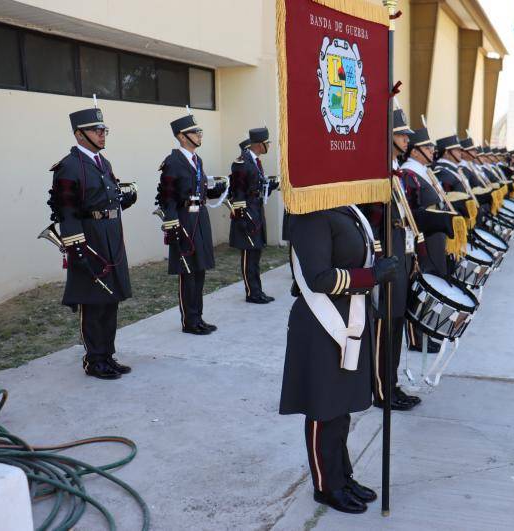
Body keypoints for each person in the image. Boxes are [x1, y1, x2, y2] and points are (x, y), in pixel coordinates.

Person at [279, 205, 399, 514]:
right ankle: (326, 485)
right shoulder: (311, 214)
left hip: (352, 314)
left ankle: (342, 476)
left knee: (341, 406)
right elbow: (319, 278)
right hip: (322, 323)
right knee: (324, 406)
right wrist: (371, 275)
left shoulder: (347, 209)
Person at [47, 107, 136, 379]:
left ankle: (107, 355)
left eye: (103, 129)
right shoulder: (68, 166)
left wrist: (123, 199)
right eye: (96, 130)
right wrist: (77, 249)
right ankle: (93, 360)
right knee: (93, 301)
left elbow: (104, 198)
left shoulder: (103, 163)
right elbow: (67, 211)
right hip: (89, 238)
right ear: (79, 134)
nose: (102, 134)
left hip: (110, 234)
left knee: (111, 299)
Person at [360, 108, 421, 412]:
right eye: (401, 133)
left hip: (402, 252)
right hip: (387, 254)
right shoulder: (376, 170)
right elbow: (370, 220)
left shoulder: (395, 168)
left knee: (396, 322)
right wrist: (380, 256)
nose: (407, 138)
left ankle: (392, 382)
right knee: (385, 324)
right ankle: (381, 390)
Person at [156, 114, 226, 335]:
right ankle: (189, 321)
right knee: (187, 272)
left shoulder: (197, 160)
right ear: (181, 136)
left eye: (199, 132)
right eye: (195, 132)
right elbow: (166, 197)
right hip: (184, 218)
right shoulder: (173, 162)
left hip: (199, 216)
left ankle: (198, 317)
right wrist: (172, 224)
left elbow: (199, 190)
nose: (199, 135)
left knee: (200, 268)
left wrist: (219, 189)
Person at [229, 128, 278, 304]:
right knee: (249, 255)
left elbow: (255, 188)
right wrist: (242, 217)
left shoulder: (255, 162)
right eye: (267, 143)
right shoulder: (242, 163)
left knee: (256, 253)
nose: (269, 146)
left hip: (256, 210)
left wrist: (270, 186)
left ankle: (257, 290)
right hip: (248, 214)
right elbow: (237, 192)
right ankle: (252, 292)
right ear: (259, 144)